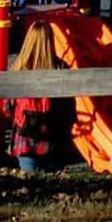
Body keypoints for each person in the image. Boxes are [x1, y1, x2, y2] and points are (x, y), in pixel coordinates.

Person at [8, 19, 72, 172]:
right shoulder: (60, 68)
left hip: (25, 138)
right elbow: (68, 108)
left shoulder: (18, 68)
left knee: (29, 182)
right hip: (53, 138)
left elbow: (7, 106)